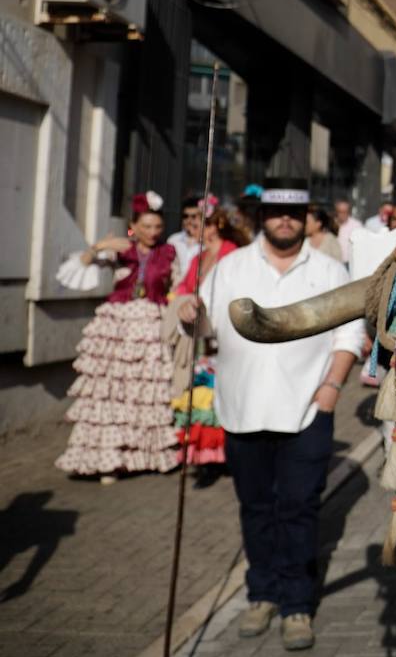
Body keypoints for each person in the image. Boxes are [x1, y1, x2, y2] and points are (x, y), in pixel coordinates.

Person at [178, 179, 365, 650]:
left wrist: (329, 391)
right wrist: (190, 314)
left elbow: (348, 336)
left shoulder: (329, 269)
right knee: (256, 508)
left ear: (306, 218)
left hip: (306, 410)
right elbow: (206, 330)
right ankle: (262, 593)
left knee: (299, 508)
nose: (284, 220)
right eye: (275, 211)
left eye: (293, 213)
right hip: (241, 410)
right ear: (262, 217)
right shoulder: (230, 267)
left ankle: (297, 604)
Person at [55, 191, 180, 481]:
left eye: (157, 227)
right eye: (146, 226)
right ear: (134, 225)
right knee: (111, 392)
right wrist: (99, 245)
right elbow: (80, 267)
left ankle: (141, 456)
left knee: (144, 394)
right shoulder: (120, 249)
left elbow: (176, 286)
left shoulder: (168, 253)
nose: (152, 232)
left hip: (152, 326)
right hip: (118, 327)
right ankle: (107, 459)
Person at [171, 208, 253, 486]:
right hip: (200, 335)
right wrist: (183, 301)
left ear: (215, 227)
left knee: (226, 393)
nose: (193, 227)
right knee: (202, 392)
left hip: (226, 334)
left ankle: (229, 453)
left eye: (200, 223)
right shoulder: (198, 256)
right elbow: (183, 287)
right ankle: (208, 457)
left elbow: (236, 290)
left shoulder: (231, 253)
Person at [167, 196, 205, 276]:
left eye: (194, 216)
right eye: (185, 216)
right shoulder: (173, 240)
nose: (189, 220)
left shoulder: (207, 241)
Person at [334, 198, 362, 265]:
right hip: (334, 261)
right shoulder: (331, 224)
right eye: (340, 211)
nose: (342, 214)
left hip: (349, 263)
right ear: (336, 211)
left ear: (349, 212)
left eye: (345, 212)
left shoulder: (357, 226)